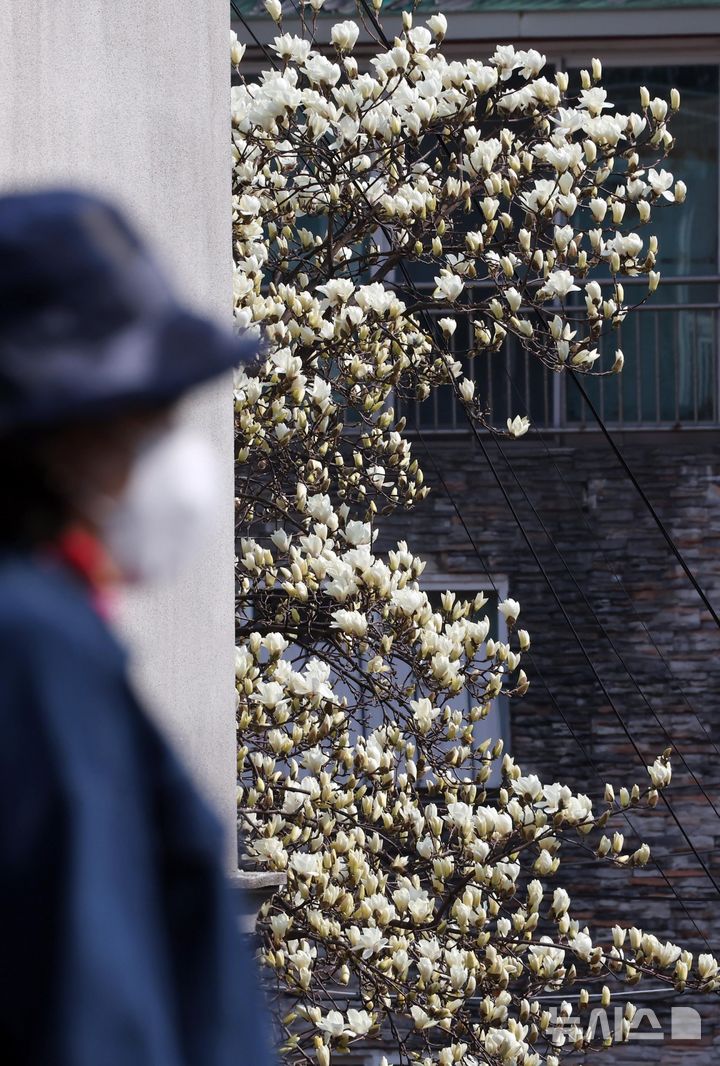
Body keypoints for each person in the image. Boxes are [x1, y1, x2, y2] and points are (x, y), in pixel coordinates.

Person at [0, 190, 273, 1065]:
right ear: (52, 436)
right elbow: (93, 1008)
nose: (173, 455)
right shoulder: (33, 649)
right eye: (142, 422)